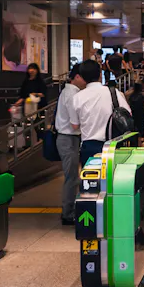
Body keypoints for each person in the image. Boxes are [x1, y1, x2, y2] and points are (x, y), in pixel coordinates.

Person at [71, 59, 132, 166]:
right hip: (113, 145)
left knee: (90, 180)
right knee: (112, 179)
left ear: (82, 77)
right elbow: (128, 114)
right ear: (100, 74)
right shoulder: (113, 92)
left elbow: (75, 125)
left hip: (89, 147)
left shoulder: (77, 98)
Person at [56, 63, 86, 225]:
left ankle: (70, 210)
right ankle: (68, 214)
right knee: (71, 177)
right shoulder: (71, 94)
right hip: (68, 139)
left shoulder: (70, 92)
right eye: (83, 78)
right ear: (76, 77)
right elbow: (75, 124)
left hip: (70, 138)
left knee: (73, 176)